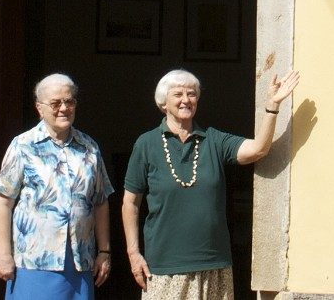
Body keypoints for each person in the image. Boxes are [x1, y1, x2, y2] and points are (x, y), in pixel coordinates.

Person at [122, 69, 299, 299]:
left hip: (214, 265)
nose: (186, 100)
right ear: (163, 102)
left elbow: (259, 149)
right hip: (166, 269)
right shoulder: (146, 144)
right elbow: (130, 203)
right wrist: (133, 253)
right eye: (178, 94)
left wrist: (272, 106)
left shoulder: (213, 140)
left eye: (192, 94)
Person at [0, 73, 114, 300]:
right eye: (55, 103)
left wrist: (104, 251)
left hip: (79, 262)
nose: (64, 108)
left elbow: (100, 202)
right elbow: (3, 204)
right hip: (33, 261)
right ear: (39, 108)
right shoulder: (23, 145)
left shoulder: (89, 147)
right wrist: (3, 255)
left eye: (69, 101)